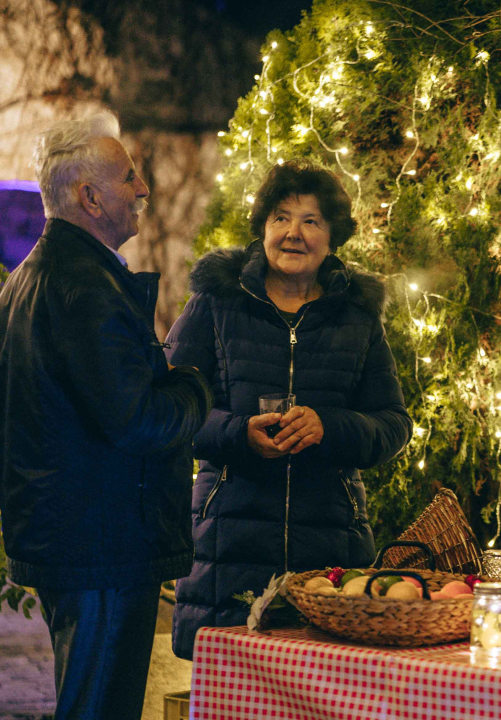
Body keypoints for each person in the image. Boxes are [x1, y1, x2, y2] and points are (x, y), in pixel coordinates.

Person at [0, 111, 213, 719]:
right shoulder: (84, 289)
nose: (143, 188)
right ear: (89, 196)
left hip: (74, 540)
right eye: (128, 176)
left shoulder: (32, 279)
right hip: (102, 548)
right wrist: (193, 385)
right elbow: (141, 421)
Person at [167, 160, 413, 659]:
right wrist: (239, 434)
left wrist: (330, 427)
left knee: (324, 698)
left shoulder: (357, 318)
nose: (293, 233)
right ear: (263, 228)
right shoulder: (217, 302)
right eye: (281, 217)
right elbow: (169, 411)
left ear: (332, 237)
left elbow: (394, 425)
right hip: (226, 547)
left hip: (328, 558)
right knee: (230, 700)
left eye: (311, 221)